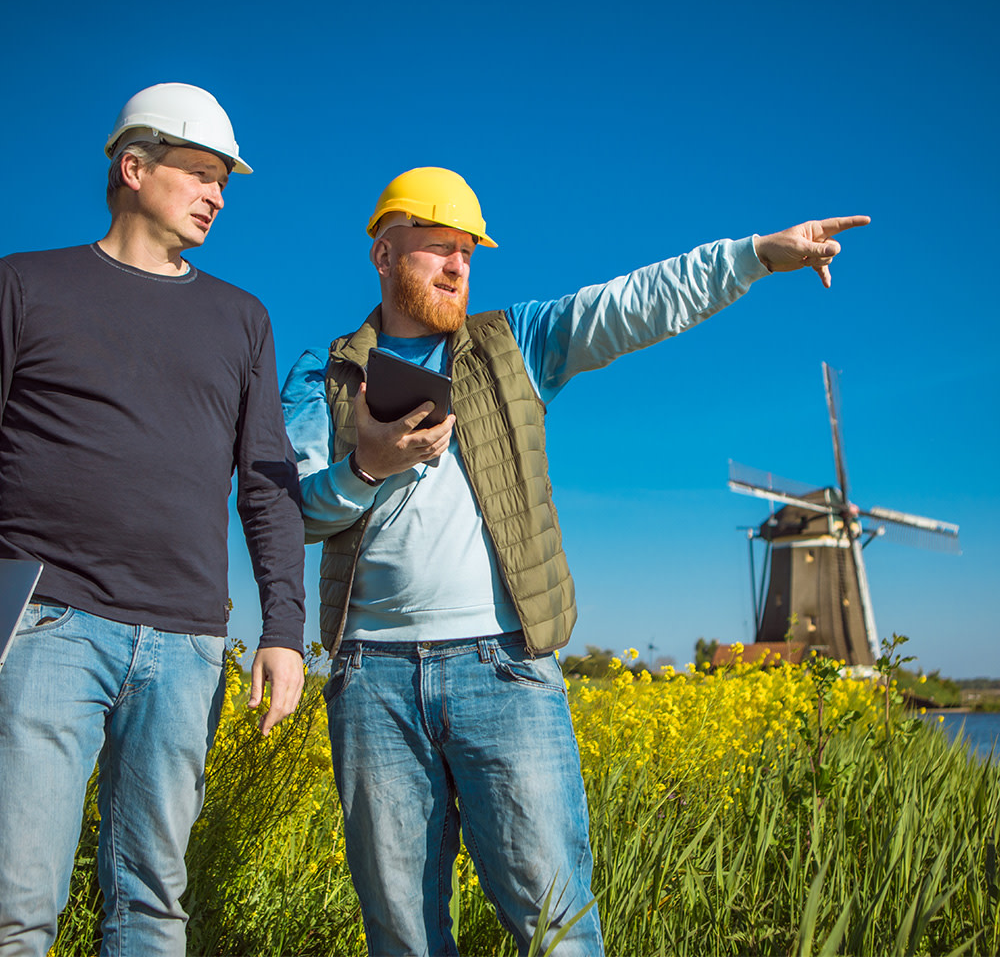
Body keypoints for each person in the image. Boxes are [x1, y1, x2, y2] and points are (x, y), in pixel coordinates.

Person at [281, 166, 869, 956]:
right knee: (401, 934)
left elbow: (632, 303)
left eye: (468, 251)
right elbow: (286, 514)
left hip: (507, 672)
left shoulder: (514, 343)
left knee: (557, 929)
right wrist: (369, 465)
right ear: (384, 254)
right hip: (371, 679)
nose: (459, 267)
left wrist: (759, 254)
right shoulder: (321, 378)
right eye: (437, 250)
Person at [0, 83, 306, 956]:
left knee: (149, 908)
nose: (217, 194)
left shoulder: (242, 318)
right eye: (201, 173)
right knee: (17, 904)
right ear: (133, 168)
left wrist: (282, 628)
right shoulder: (23, 285)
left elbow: (267, 482)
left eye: (225, 181)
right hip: (45, 624)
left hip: (185, 645)